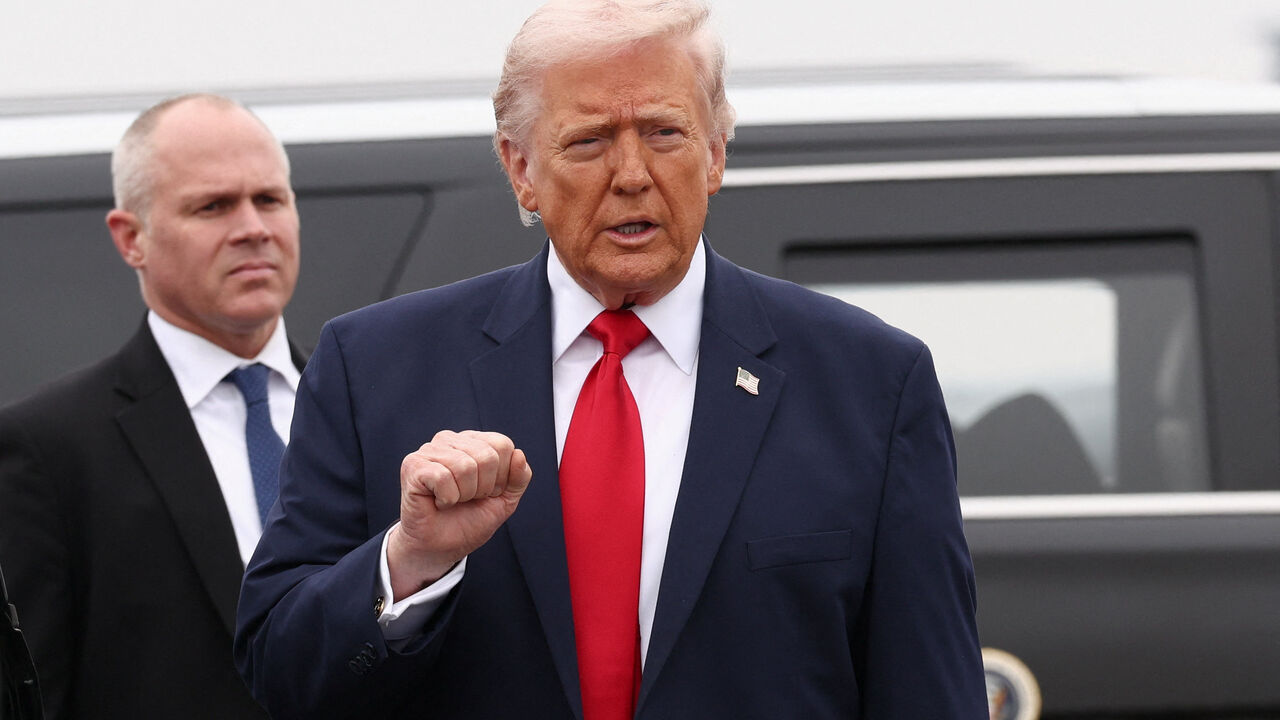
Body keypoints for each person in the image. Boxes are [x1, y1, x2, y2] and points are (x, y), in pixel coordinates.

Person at [235, 1, 987, 717]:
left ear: (717, 152)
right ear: (520, 167)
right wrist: (409, 563)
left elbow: (927, 691)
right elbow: (281, 670)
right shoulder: (374, 369)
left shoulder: (870, 384)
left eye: (664, 133)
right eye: (589, 141)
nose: (631, 174)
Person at [0, 93, 303, 719]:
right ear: (131, 237)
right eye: (213, 206)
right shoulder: (49, 447)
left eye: (270, 198)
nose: (253, 227)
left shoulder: (366, 402)